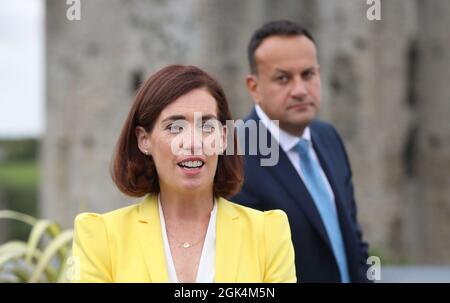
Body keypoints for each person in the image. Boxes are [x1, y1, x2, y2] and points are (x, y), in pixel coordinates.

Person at [71, 64, 296, 282]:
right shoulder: (100, 236)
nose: (193, 142)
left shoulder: (269, 233)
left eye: (207, 126)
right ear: (144, 140)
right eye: (174, 127)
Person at [231, 20, 370, 283]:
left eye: (308, 74)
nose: (300, 90)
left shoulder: (328, 137)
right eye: (283, 78)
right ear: (254, 87)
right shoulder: (234, 156)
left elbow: (353, 242)